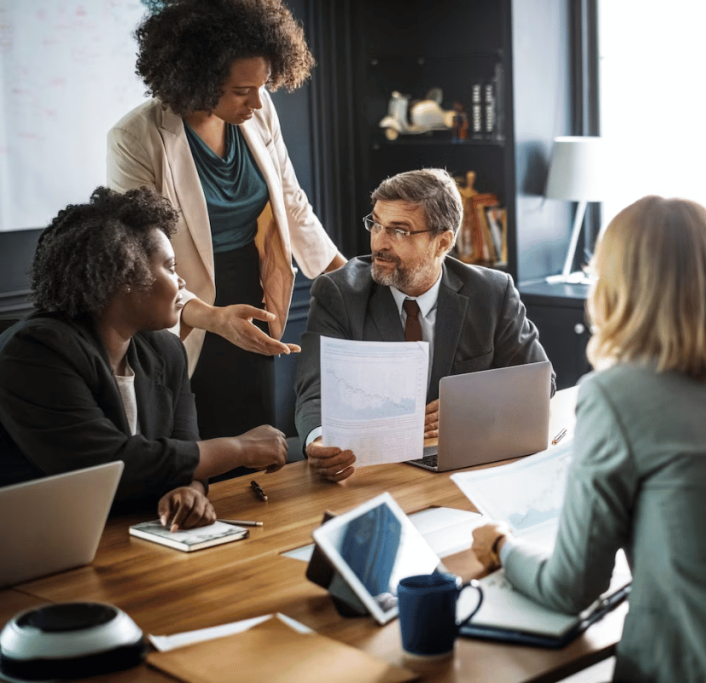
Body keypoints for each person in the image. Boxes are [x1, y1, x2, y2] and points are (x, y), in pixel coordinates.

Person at [467, 195, 706, 682]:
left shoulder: (615, 395)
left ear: (614, 286)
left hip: (696, 664)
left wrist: (502, 547)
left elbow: (570, 587)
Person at [107, 0, 346, 443]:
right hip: (179, 303)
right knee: (196, 438)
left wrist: (348, 279)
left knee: (255, 434)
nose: (257, 101)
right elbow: (137, 258)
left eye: (263, 85)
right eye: (241, 91)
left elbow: (291, 203)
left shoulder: (259, 108)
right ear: (196, 78)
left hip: (250, 291)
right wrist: (210, 318)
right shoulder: (135, 137)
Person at [0, 187, 288, 530]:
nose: (181, 282)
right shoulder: (35, 351)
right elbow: (110, 465)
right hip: (44, 541)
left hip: (133, 534)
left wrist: (189, 489)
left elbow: (183, 450)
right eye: (170, 266)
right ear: (124, 277)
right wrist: (240, 448)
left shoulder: (166, 351)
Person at [293, 168, 553, 483]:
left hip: (463, 469)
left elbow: (538, 382)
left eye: (399, 231)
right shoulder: (339, 293)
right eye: (375, 224)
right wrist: (320, 440)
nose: (380, 243)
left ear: (442, 242)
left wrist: (468, 408)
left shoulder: (492, 293)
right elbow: (315, 388)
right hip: (372, 472)